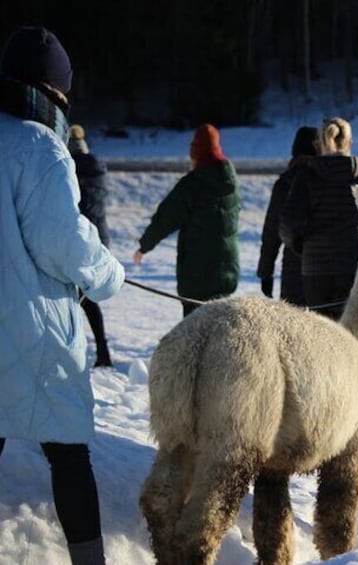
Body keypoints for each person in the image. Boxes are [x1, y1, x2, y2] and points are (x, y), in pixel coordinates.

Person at [0, 27, 125, 565]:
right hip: (34, 331)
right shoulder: (41, 147)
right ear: (52, 93)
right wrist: (109, 273)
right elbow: (63, 243)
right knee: (69, 456)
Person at [280, 117, 358, 320]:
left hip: (316, 270)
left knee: (322, 331)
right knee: (352, 332)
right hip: (357, 267)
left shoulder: (305, 178)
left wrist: (304, 248)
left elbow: (288, 225)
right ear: (350, 143)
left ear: (321, 142)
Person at [133, 123, 241, 317]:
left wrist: (144, 246)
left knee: (196, 337)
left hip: (198, 276)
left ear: (196, 152)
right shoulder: (231, 182)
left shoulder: (193, 184)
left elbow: (165, 218)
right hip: (227, 272)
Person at [256, 126, 319, 304]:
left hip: (293, 269)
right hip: (326, 269)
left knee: (293, 324)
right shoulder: (327, 180)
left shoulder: (285, 182)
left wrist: (266, 273)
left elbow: (271, 232)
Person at [68, 124, 113, 367]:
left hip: (79, 239)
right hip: (100, 239)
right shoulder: (98, 168)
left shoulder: (69, 170)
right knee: (87, 297)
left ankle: (81, 353)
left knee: (72, 298)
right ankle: (103, 351)